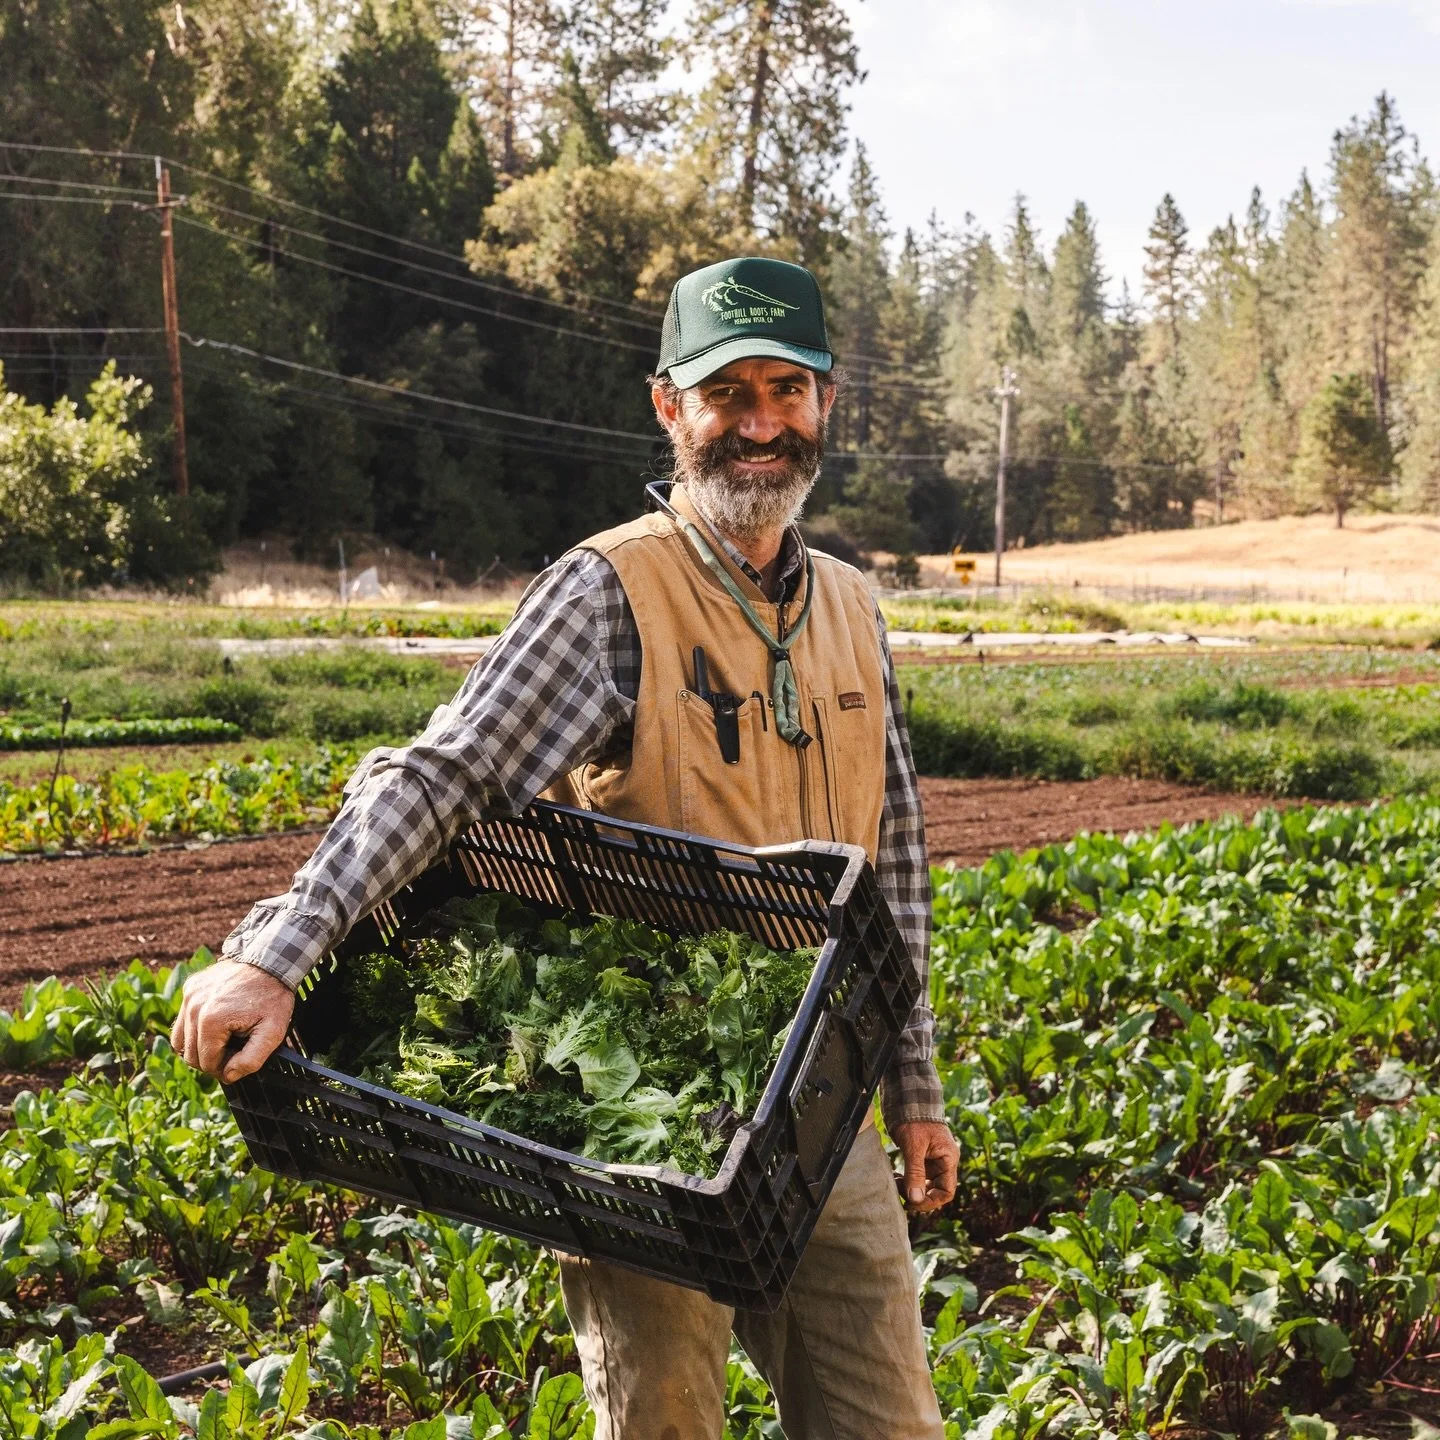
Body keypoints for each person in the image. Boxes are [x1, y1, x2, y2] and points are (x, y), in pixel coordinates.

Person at [172, 255, 958, 1439]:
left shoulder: (852, 601)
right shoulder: (608, 592)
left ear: (825, 403)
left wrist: (915, 1086)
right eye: (726, 393)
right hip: (649, 1116)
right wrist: (279, 953)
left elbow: (889, 858)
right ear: (669, 407)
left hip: (825, 1096)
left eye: (785, 391)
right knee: (665, 1423)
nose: (759, 424)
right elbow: (444, 773)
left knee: (886, 1421)